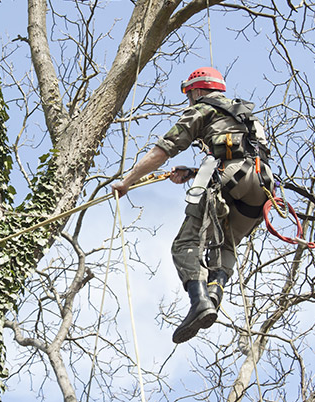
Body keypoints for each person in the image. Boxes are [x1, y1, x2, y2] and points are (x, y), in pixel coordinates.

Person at [112, 67, 273, 344]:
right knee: (225, 245)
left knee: (185, 244)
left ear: (197, 90)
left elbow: (162, 151)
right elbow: (239, 154)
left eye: (189, 94)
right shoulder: (246, 117)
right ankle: (214, 292)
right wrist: (191, 171)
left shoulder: (202, 109)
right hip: (262, 188)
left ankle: (199, 302)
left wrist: (126, 182)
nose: (189, 99)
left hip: (231, 179)